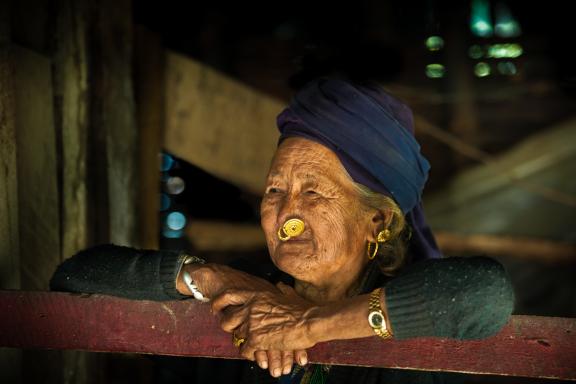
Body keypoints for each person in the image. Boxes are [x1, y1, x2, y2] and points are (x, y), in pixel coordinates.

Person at [51, 77, 514, 384]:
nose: (287, 211)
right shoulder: (237, 300)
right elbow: (73, 280)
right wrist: (210, 278)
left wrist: (305, 324)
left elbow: (487, 296)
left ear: (377, 221)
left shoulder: (417, 313)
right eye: (275, 190)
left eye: (313, 193)